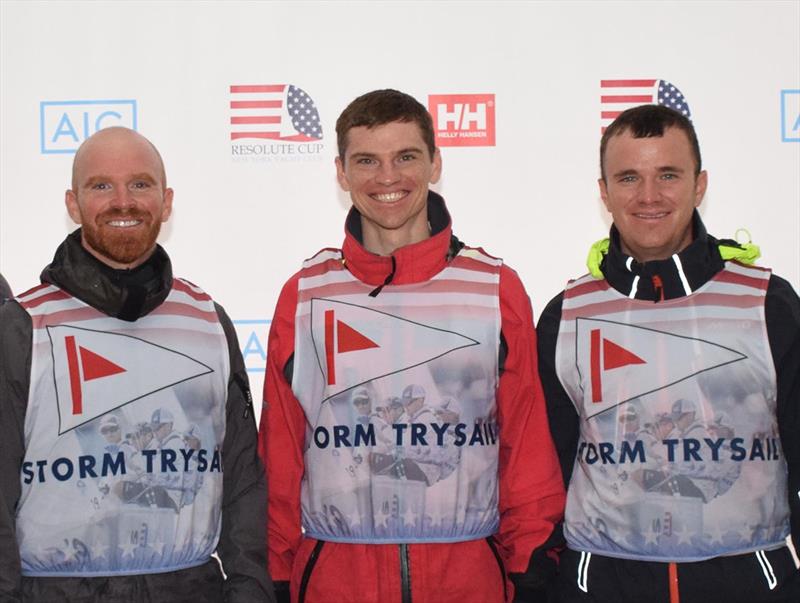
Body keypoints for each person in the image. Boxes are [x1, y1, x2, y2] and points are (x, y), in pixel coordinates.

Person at [260, 89, 564, 603]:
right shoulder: (305, 294)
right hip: (336, 582)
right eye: (366, 161)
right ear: (340, 172)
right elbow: (281, 455)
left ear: (435, 162)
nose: (387, 178)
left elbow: (526, 446)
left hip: (469, 579)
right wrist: (276, 573)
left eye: (405, 157)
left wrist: (530, 566)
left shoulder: (493, 288)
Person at [537, 104, 800, 602]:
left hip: (750, 586)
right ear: (604, 192)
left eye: (669, 175)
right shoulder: (566, 315)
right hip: (602, 588)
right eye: (629, 177)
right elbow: (545, 478)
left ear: (700, 185)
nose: (649, 196)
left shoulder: (768, 302)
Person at [0, 127, 274, 602]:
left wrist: (250, 593)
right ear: (73, 203)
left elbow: (243, 480)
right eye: (101, 186)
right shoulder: (23, 326)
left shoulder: (207, 321)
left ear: (167, 203)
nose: (122, 202)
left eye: (141, 185)